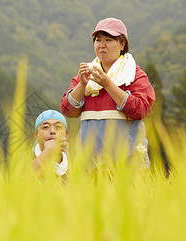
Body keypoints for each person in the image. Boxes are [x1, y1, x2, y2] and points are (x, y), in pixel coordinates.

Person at [60, 17, 155, 170]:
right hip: (90, 168)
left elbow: (141, 109)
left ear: (122, 44)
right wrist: (83, 84)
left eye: (108, 40)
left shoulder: (134, 75)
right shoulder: (86, 74)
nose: (102, 45)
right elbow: (68, 110)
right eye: (98, 40)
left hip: (128, 169)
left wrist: (108, 85)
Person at [32, 110, 69, 178]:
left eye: (58, 127)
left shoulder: (77, 160)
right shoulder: (24, 158)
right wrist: (47, 152)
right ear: (36, 135)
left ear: (66, 134)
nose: (52, 131)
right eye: (46, 127)